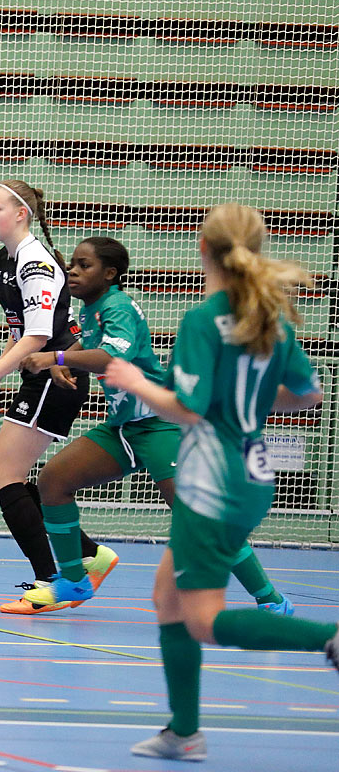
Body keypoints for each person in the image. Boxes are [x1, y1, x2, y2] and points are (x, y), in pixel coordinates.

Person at [103, 203, 337, 761]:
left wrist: (136, 379)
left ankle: (324, 638)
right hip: (254, 476)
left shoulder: (204, 318)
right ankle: (183, 733)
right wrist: (251, 403)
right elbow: (309, 396)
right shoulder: (268, 314)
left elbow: (188, 407)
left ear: (203, 250)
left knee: (202, 620)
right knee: (167, 598)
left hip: (211, 482)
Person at [19, 237, 291, 613]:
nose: (73, 271)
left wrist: (56, 355)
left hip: (161, 425)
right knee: (53, 480)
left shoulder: (118, 307)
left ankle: (271, 601)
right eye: (73, 265)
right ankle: (74, 582)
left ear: (110, 274)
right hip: (124, 428)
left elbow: (114, 354)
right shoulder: (93, 309)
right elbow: (97, 346)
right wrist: (71, 359)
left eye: (85, 265)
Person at [0, 181, 115, 614]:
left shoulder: (36, 263)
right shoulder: (4, 261)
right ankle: (90, 555)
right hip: (37, 375)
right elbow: (19, 336)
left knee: (4, 476)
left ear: (21, 213)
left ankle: (55, 580)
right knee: (22, 480)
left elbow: (41, 336)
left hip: (59, 376)